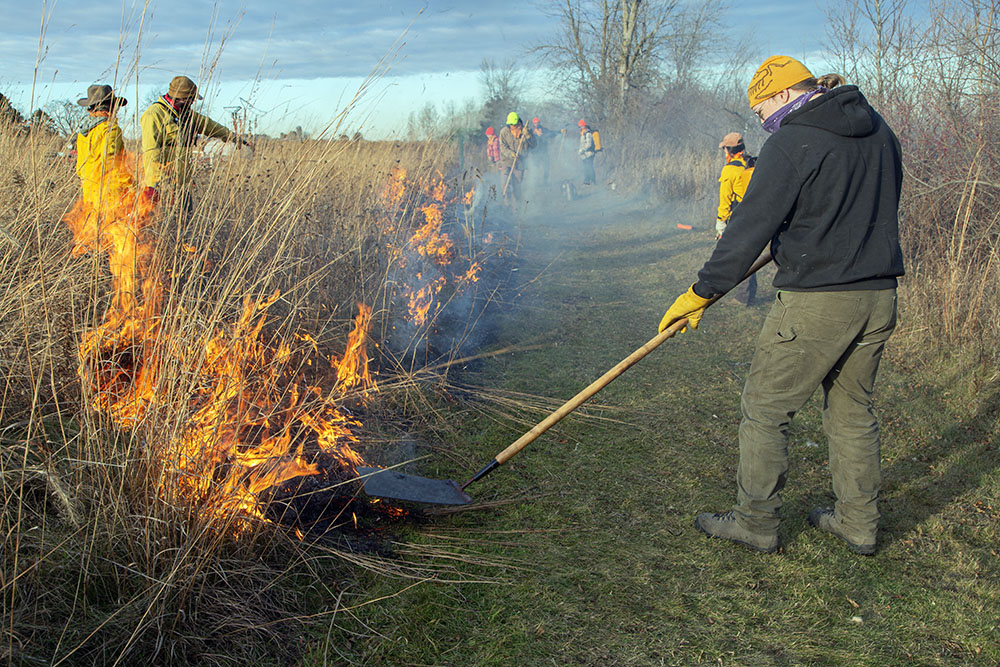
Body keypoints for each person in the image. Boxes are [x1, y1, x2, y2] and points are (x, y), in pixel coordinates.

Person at [658, 55, 904, 555]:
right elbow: (872, 204)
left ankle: (754, 522)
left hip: (817, 301)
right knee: (852, 411)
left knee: (765, 410)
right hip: (878, 295)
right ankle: (859, 524)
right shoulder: (879, 130)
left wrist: (701, 293)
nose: (761, 120)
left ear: (782, 94)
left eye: (761, 109)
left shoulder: (790, 142)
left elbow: (748, 228)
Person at [67, 84, 159, 315]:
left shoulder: (83, 133)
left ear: (91, 109)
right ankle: (124, 307)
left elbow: (82, 169)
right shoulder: (111, 130)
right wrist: (134, 193)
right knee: (124, 256)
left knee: (105, 254)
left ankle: (103, 307)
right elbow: (114, 168)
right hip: (112, 200)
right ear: (111, 108)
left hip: (90, 200)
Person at [140, 75, 244, 215]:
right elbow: (150, 152)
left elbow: (210, 126)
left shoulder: (186, 114)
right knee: (167, 226)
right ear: (182, 98)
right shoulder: (154, 115)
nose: (193, 102)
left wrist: (233, 138)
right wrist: (154, 185)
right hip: (164, 183)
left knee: (185, 223)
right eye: (191, 99)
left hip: (182, 182)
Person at [715, 132, 757, 305]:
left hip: (738, 219)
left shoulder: (730, 169)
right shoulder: (752, 164)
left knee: (738, 256)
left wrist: (720, 223)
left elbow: (725, 201)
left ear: (728, 150)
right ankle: (747, 295)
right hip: (756, 216)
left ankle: (741, 298)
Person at [497, 112, 536, 202]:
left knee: (517, 186)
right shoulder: (504, 132)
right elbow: (502, 147)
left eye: (513, 124)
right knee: (505, 184)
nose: (511, 126)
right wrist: (511, 154)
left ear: (518, 123)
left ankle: (516, 207)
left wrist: (528, 136)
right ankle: (506, 204)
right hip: (506, 161)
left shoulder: (526, 131)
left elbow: (534, 145)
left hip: (519, 163)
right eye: (510, 124)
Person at [578, 119, 596, 185]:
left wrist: (582, 150)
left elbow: (589, 144)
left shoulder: (588, 134)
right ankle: (587, 181)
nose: (580, 128)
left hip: (589, 154)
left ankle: (593, 181)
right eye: (579, 126)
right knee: (586, 168)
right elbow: (582, 144)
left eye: (581, 126)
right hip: (584, 155)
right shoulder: (583, 134)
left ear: (584, 126)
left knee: (589, 167)